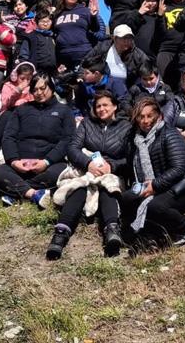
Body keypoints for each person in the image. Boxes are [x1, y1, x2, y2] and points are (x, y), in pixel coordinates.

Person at [47, 89, 131, 259]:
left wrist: (112, 166)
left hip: (112, 170)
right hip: (86, 168)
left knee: (110, 188)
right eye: (98, 106)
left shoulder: (126, 127)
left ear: (114, 106)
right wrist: (88, 163)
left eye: (105, 105)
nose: (101, 109)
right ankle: (61, 233)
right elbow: (72, 148)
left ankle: (112, 230)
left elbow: (130, 157)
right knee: (78, 188)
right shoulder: (87, 124)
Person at [120, 96, 185, 249]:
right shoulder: (134, 138)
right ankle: (152, 231)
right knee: (126, 199)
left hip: (183, 187)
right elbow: (129, 163)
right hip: (153, 184)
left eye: (149, 116)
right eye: (141, 116)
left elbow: (178, 169)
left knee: (155, 207)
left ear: (158, 115)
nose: (145, 121)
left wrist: (155, 186)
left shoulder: (170, 134)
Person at [0, 74, 75, 207]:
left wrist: (46, 162)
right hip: (21, 164)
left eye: (43, 88)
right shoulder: (22, 110)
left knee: (60, 172)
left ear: (51, 88)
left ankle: (12, 190)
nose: (39, 93)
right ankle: (34, 194)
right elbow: (9, 136)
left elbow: (67, 140)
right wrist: (14, 161)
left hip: (48, 165)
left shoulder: (65, 111)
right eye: (35, 90)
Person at [53, 0, 101, 72]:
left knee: (82, 82)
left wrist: (93, 17)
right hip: (63, 56)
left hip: (82, 53)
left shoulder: (84, 10)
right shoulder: (57, 13)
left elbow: (95, 29)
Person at [86, 24, 151, 87]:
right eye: (124, 38)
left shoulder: (137, 54)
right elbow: (84, 63)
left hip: (127, 89)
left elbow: (149, 69)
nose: (127, 41)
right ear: (114, 38)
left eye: (130, 38)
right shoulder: (102, 47)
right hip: (102, 88)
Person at [18, 8, 58, 76]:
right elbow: (24, 54)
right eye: (42, 21)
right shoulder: (31, 36)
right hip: (34, 72)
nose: (45, 24)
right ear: (37, 23)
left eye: (48, 21)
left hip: (51, 73)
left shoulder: (53, 37)